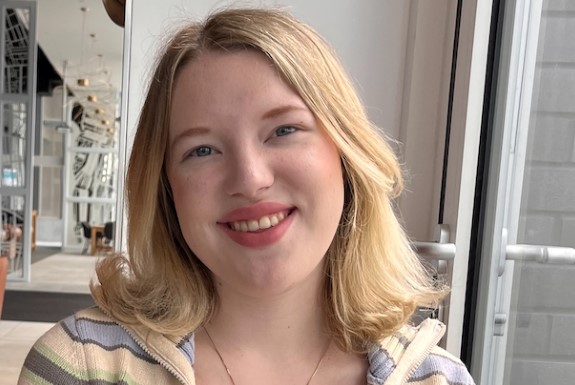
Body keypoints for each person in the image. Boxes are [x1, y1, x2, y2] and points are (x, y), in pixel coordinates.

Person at [19, 7, 475, 385]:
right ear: (166, 190)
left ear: (346, 153)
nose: (250, 179)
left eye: (283, 130)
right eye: (201, 150)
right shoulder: (79, 368)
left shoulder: (438, 379)